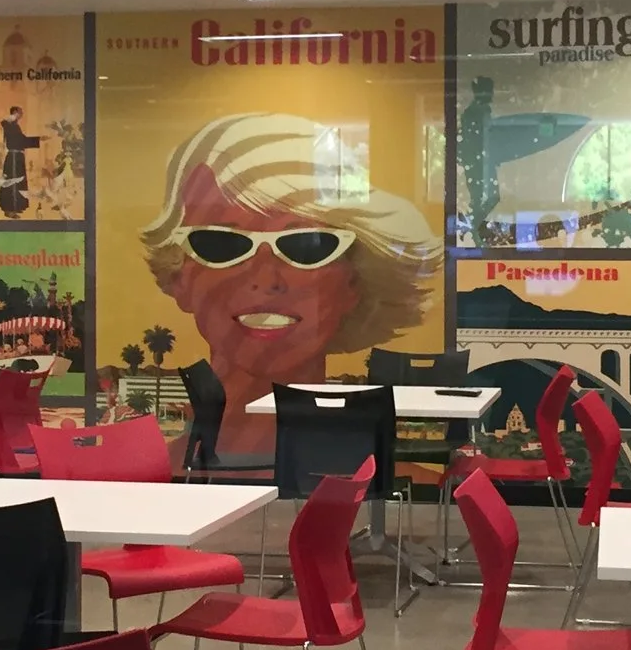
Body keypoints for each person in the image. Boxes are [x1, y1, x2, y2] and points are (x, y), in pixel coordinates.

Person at [141, 112, 437, 457]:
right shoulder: (162, 477)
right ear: (180, 277)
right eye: (221, 244)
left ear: (353, 281)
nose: (266, 280)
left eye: (307, 246)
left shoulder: (172, 476)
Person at [0, 106, 42, 217]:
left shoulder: (15, 126)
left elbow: (22, 140)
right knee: (12, 181)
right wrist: (37, 140)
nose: (22, 114)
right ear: (15, 113)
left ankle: (17, 206)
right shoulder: (9, 124)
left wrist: (39, 139)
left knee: (19, 181)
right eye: (20, 112)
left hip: (18, 158)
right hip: (13, 158)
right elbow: (4, 123)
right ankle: (9, 209)